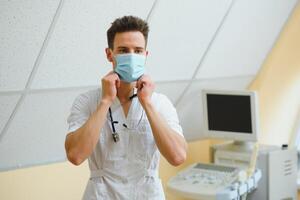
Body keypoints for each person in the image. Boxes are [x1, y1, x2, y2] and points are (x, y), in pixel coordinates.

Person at [65, 15, 187, 200]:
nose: (131, 56)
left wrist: (147, 104)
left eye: (138, 51)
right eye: (123, 50)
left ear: (145, 55)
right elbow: (75, 155)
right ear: (109, 54)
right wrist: (105, 101)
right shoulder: (87, 101)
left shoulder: (160, 103)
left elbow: (178, 157)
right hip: (102, 195)